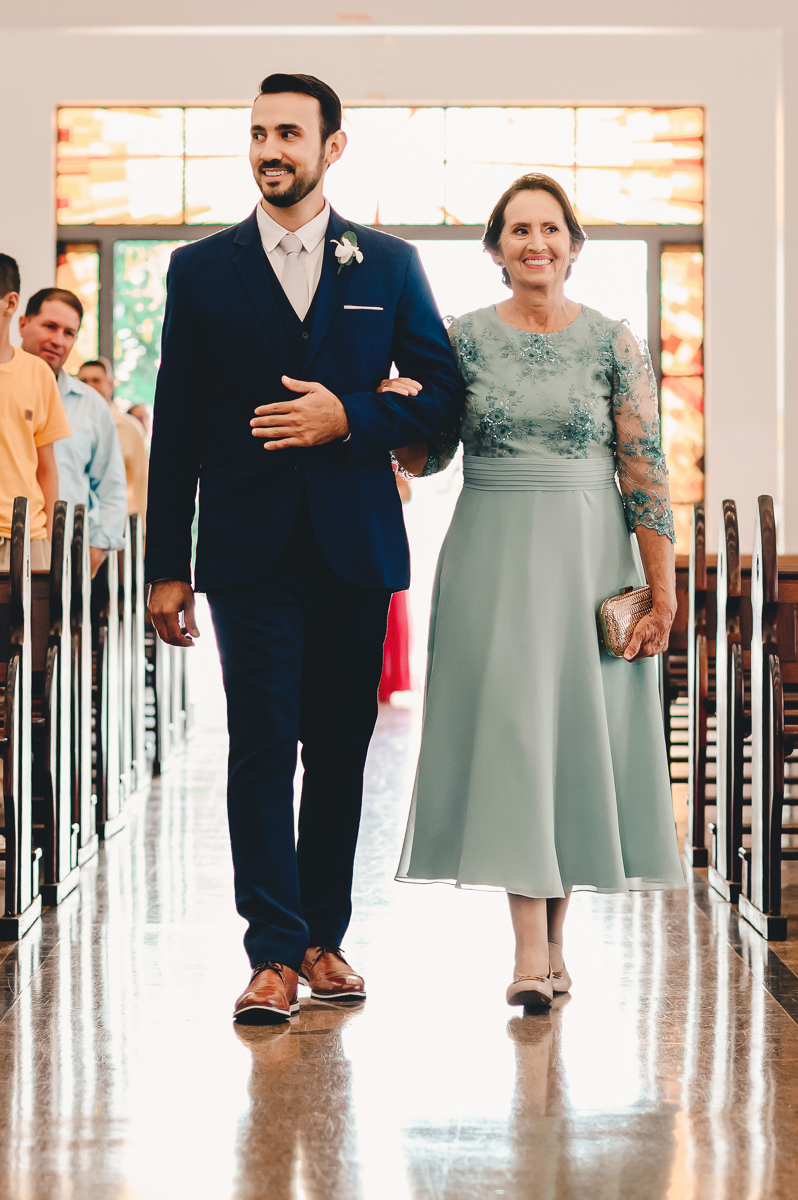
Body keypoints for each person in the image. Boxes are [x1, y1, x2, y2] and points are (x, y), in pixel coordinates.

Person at [145, 73, 464, 1024]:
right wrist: (170, 562)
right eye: (257, 134)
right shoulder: (200, 269)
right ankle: (272, 953)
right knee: (258, 747)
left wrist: (348, 417)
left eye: (288, 132)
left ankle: (327, 941)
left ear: (333, 147)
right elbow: (177, 424)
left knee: (338, 749)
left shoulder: (391, 266)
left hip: (352, 546)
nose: (269, 148)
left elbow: (443, 398)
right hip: (245, 549)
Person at [393, 173, 684, 1009]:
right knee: (516, 735)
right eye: (518, 230)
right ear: (495, 249)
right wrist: (396, 420)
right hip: (492, 550)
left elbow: (647, 473)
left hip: (592, 554)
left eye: (550, 228)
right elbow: (431, 457)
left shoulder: (613, 343)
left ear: (573, 244)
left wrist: (660, 592)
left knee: (568, 742)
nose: (536, 243)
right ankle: (527, 950)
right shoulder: (463, 340)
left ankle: (555, 947)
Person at [19, 289, 127, 577]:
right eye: (50, 326)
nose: (58, 340)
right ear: (22, 324)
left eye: (69, 333)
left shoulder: (92, 405)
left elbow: (111, 487)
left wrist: (97, 547)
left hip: (67, 559)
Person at [0, 255, 71, 570]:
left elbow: (47, 468)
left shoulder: (38, 374)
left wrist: (55, 547)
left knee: (30, 621)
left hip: (27, 539)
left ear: (10, 303)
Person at [78, 357, 149, 525]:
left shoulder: (130, 428)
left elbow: (143, 482)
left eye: (96, 381)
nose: (89, 386)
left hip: (123, 524)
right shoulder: (66, 425)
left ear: (109, 386)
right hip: (80, 522)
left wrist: (146, 532)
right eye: (83, 381)